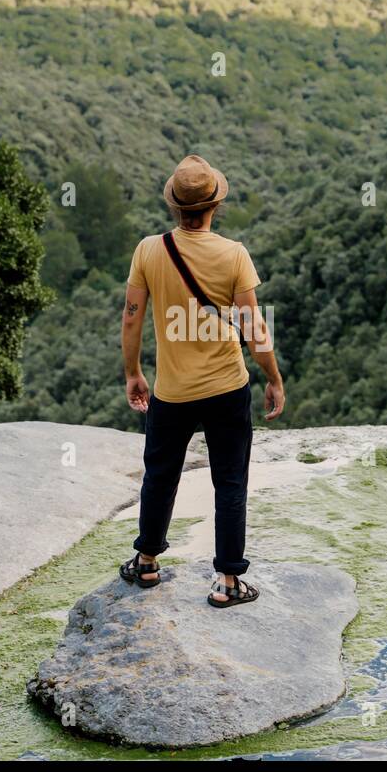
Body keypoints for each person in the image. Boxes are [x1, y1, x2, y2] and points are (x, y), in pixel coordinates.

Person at [119, 154, 284, 607]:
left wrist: (134, 372)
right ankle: (228, 583)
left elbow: (131, 319)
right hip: (228, 388)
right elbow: (254, 328)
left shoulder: (149, 250)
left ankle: (147, 561)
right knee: (229, 481)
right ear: (214, 207)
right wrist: (273, 377)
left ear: (175, 206)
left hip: (172, 391)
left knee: (160, 475)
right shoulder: (234, 255)